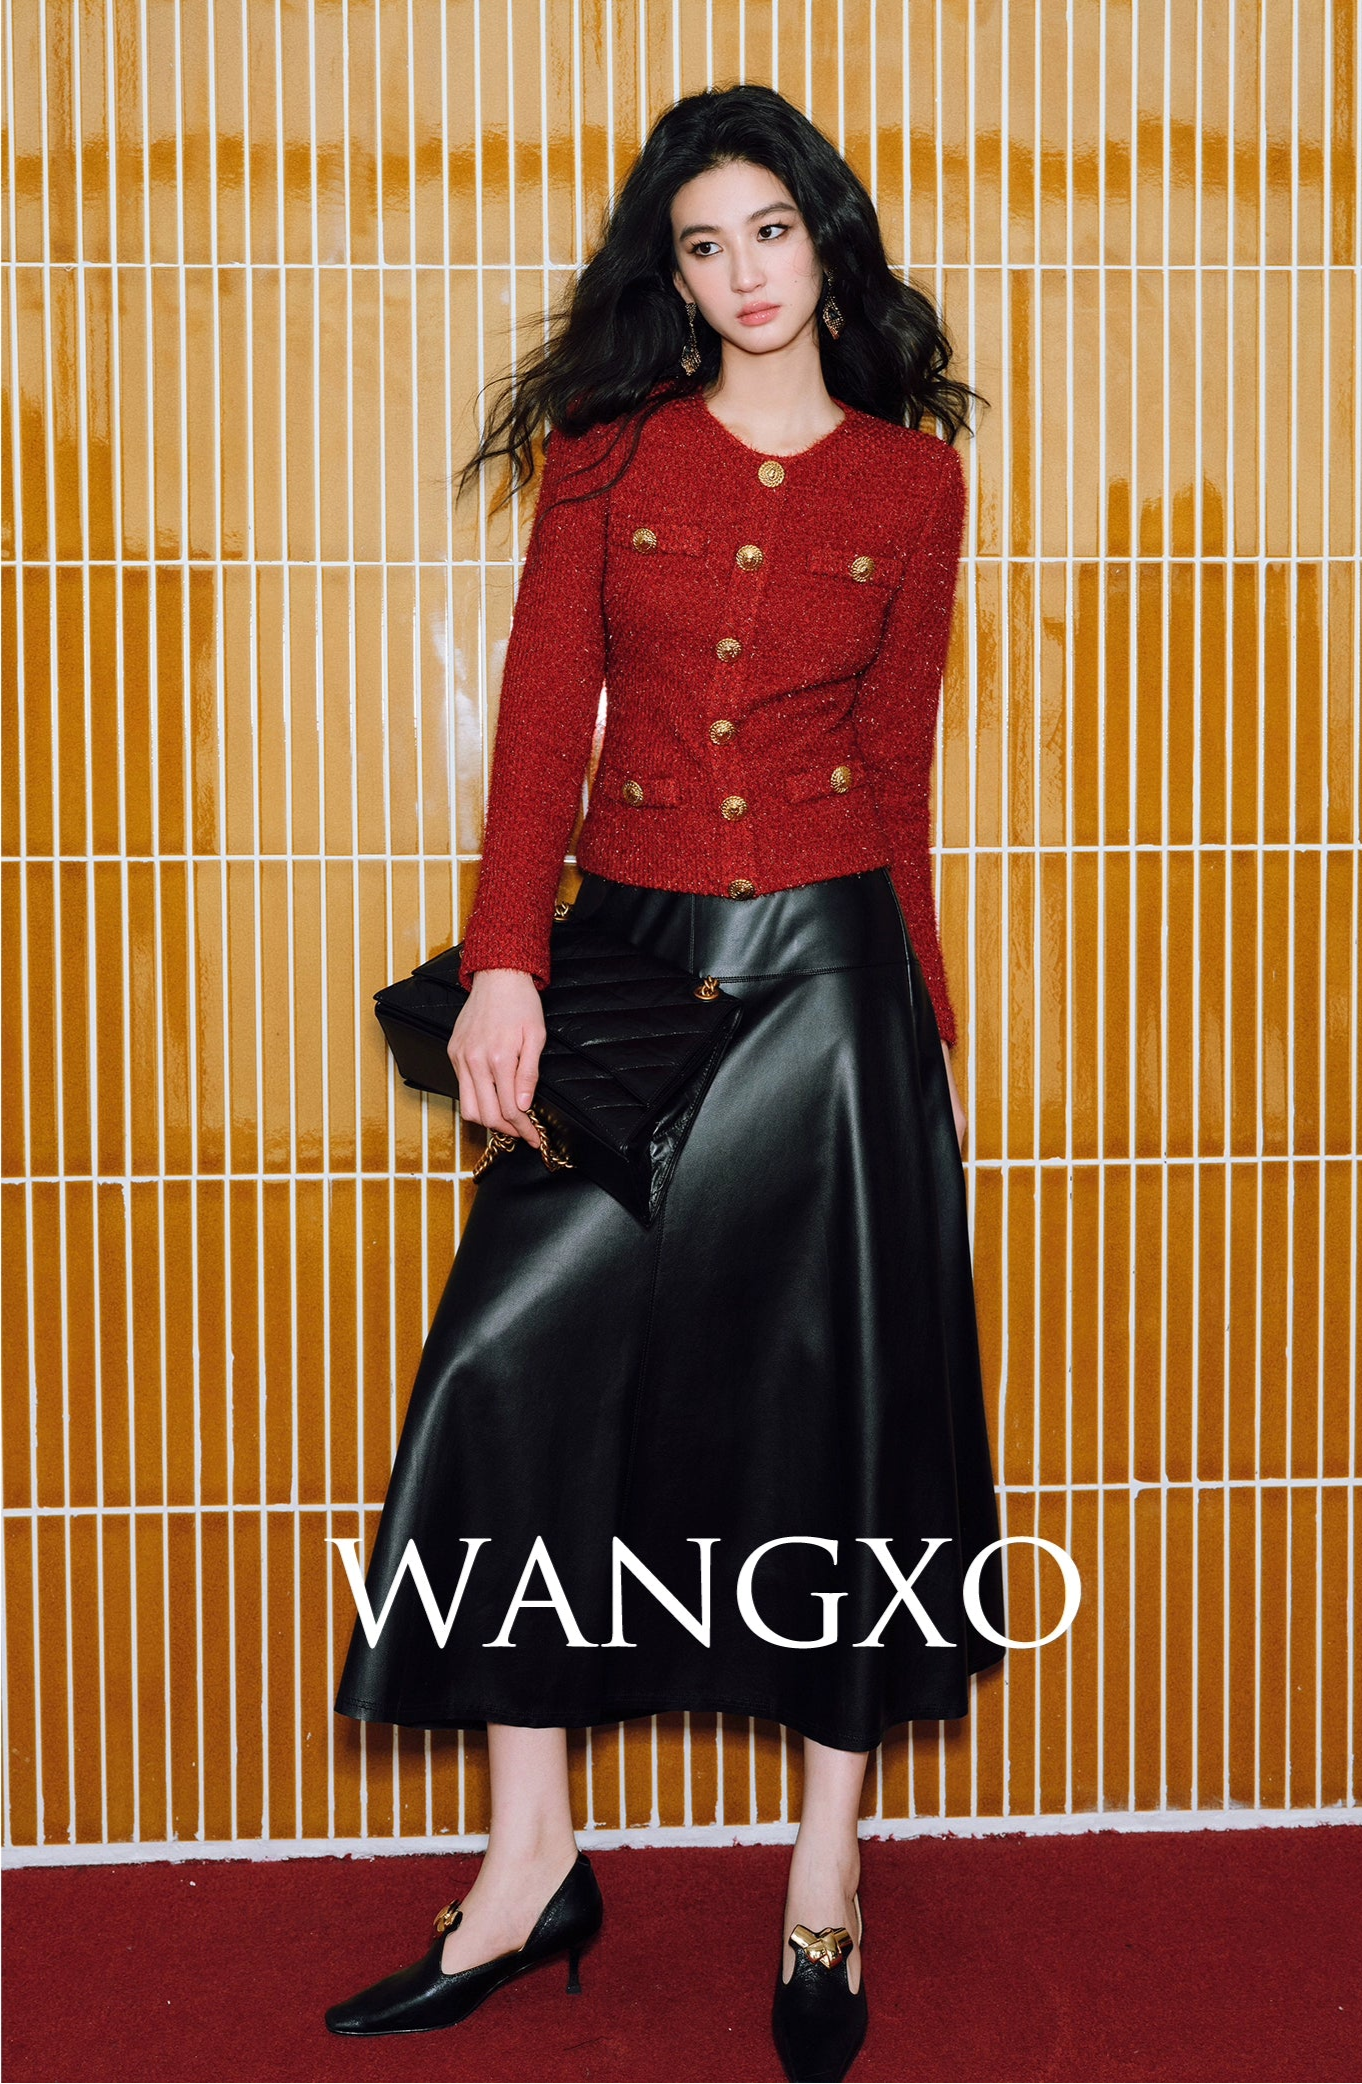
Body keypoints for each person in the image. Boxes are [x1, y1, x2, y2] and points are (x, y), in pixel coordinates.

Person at [324, 82, 1004, 2084]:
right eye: (703, 246)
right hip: (624, 974)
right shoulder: (606, 457)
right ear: (674, 275)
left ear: (826, 243)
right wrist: (507, 962)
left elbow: (900, 773)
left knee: (839, 1432)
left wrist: (921, 1039)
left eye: (769, 232)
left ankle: (824, 1880)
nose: (742, 273)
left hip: (831, 996)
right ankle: (531, 1863)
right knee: (505, 1364)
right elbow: (543, 717)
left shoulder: (912, 485)